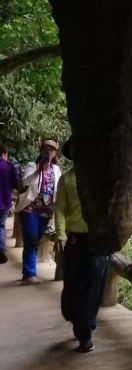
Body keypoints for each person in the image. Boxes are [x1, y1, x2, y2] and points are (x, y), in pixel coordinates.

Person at [55, 140, 110, 352]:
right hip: (75, 238)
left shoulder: (101, 178)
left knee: (93, 286)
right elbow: (60, 208)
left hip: (98, 239)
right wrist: (60, 235)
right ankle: (78, 319)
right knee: (72, 283)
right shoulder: (67, 179)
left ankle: (84, 333)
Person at [16, 138, 61, 282]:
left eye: (52, 149)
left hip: (46, 210)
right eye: (46, 148)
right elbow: (25, 181)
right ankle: (30, 274)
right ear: (41, 149)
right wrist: (38, 169)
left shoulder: (56, 169)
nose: (49, 151)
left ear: (55, 153)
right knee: (31, 238)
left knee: (36, 240)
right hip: (30, 209)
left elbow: (58, 189)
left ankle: (28, 272)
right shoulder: (32, 165)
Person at [0, 145, 19, 265]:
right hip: (4, 202)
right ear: (5, 153)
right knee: (1, 226)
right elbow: (16, 184)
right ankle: (0, 251)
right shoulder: (9, 166)